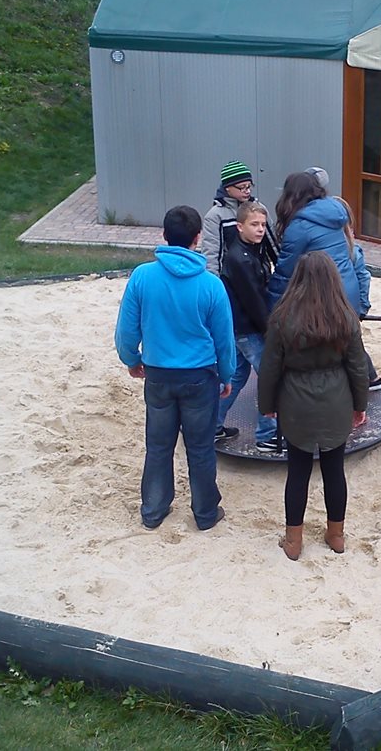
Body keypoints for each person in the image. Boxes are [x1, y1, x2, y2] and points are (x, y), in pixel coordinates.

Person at [114, 205, 236, 531]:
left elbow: (126, 331)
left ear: (164, 235)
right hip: (199, 376)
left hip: (158, 375)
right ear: (198, 238)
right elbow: (224, 339)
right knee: (200, 448)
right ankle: (205, 513)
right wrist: (227, 375)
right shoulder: (211, 285)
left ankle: (153, 510)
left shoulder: (142, 276)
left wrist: (131, 359)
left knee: (158, 446)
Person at [257, 251, 369, 561]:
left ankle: (294, 541)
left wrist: (267, 404)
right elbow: (358, 366)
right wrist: (360, 404)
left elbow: (270, 366)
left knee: (298, 472)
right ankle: (336, 535)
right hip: (336, 399)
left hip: (296, 401)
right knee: (335, 471)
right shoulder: (345, 317)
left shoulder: (282, 318)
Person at [217, 200, 281, 452]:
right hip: (249, 329)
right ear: (239, 226)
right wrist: (269, 330)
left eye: (263, 225)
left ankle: (212, 424)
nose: (260, 229)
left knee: (237, 375)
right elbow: (254, 300)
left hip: (240, 327)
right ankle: (267, 434)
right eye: (254, 224)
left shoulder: (251, 250)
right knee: (269, 377)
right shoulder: (241, 259)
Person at [267, 171, 361, 314]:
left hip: (325, 299)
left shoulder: (300, 227)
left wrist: (270, 310)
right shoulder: (332, 213)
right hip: (349, 293)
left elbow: (285, 274)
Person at [335, 195, 381, 391]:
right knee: (350, 345)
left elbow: (363, 277)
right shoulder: (341, 247)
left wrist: (362, 306)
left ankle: (370, 378)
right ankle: (370, 378)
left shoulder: (352, 250)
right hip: (342, 306)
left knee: (350, 345)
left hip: (347, 307)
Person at [201, 160, 277, 275]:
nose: (247, 191)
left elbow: (273, 245)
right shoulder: (215, 216)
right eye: (242, 188)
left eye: (249, 186)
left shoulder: (259, 209)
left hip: (261, 276)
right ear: (227, 188)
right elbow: (212, 256)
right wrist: (216, 283)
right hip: (232, 278)